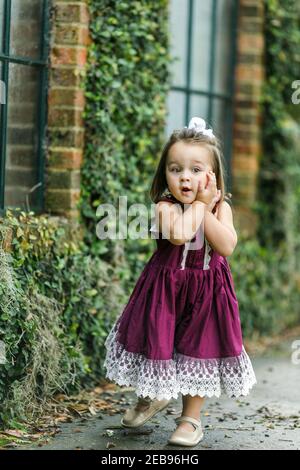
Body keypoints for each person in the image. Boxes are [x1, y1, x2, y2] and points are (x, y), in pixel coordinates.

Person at [104, 117, 256, 447]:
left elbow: (226, 245)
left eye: (196, 169)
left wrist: (208, 206)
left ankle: (190, 419)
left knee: (198, 349)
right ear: (165, 175)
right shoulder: (165, 206)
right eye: (175, 169)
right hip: (165, 289)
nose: (185, 176)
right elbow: (178, 234)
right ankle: (152, 394)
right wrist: (199, 205)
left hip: (208, 291)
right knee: (155, 340)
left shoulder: (220, 207)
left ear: (213, 177)